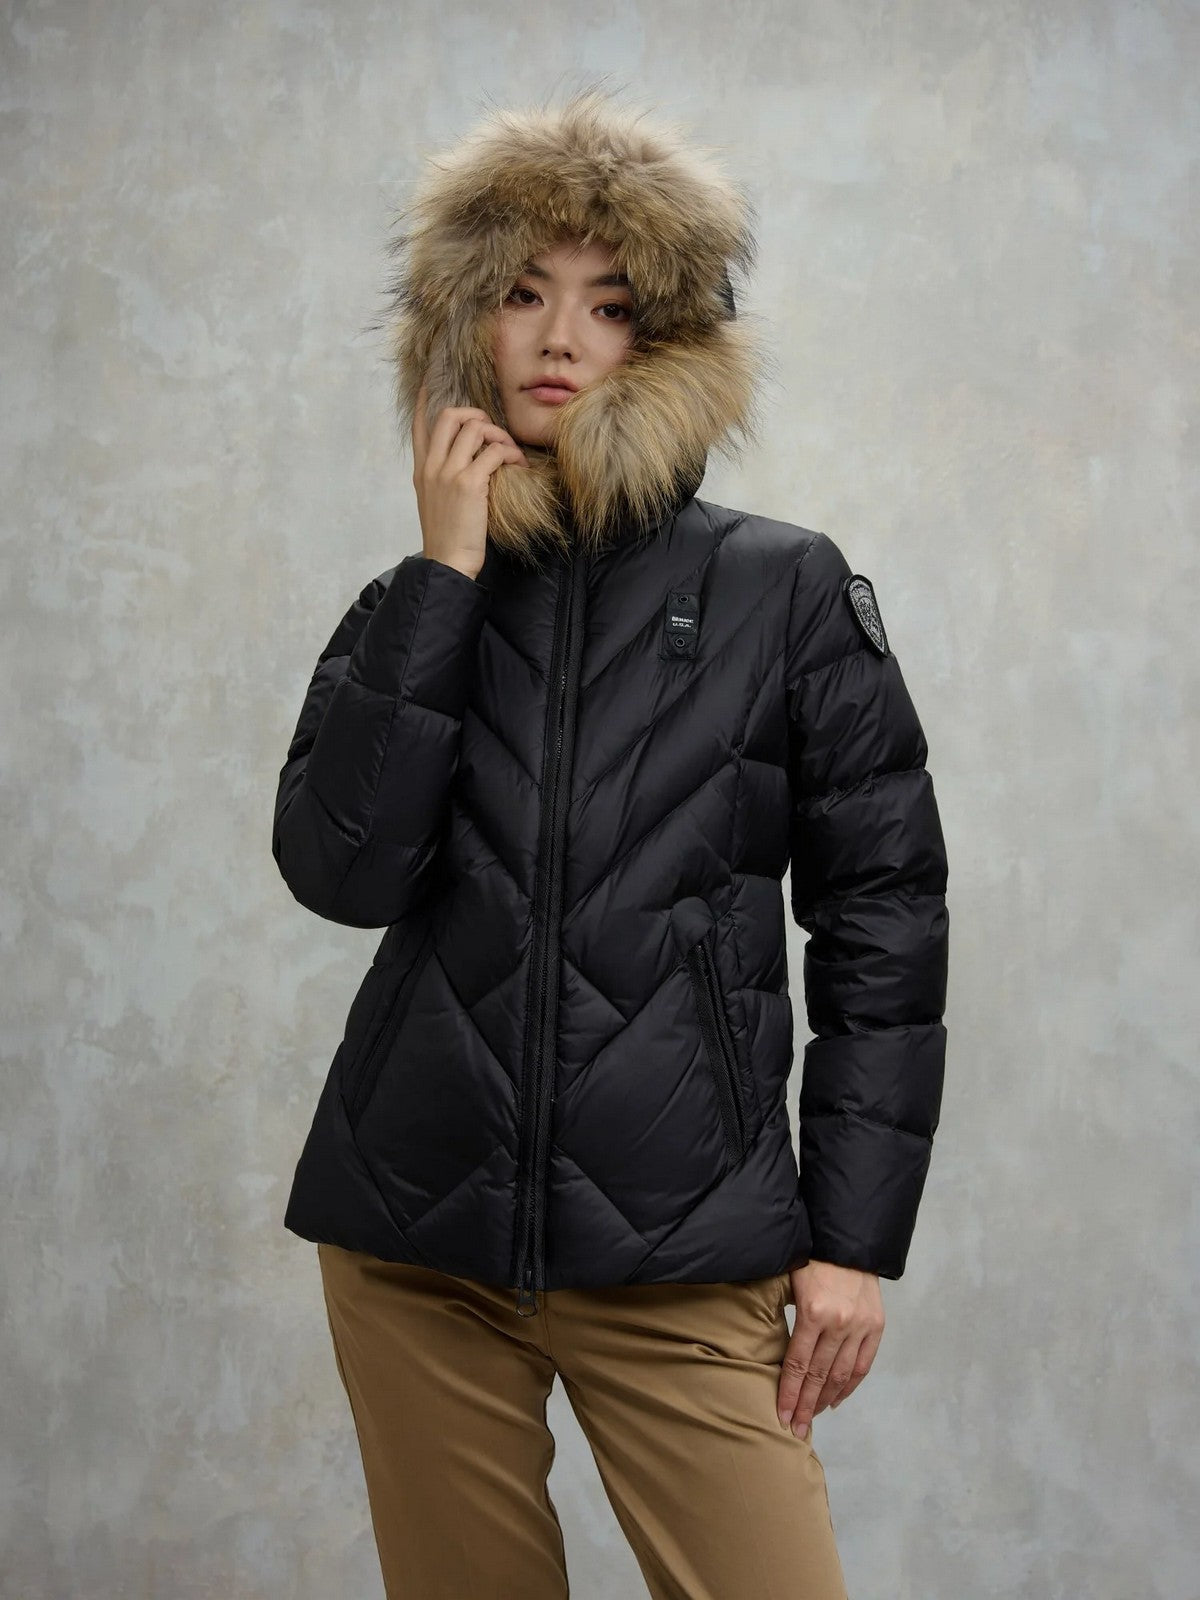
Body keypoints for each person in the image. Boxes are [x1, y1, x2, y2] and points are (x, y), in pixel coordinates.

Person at [272, 81, 949, 1600]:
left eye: (609, 303)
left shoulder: (784, 590)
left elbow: (887, 918)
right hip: (414, 1245)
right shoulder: (411, 606)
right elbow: (342, 874)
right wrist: (446, 579)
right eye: (522, 294)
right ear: (467, 322)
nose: (559, 338)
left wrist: (851, 1243)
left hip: (686, 1243)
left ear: (667, 339)